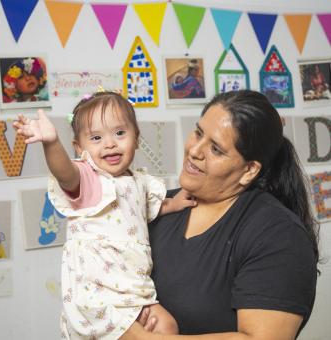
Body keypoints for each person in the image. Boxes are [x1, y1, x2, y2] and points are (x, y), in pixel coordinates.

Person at [121, 90, 319, 340]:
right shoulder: (156, 206)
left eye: (216, 149)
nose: (195, 151)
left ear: (249, 170)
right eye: (198, 133)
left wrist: (139, 337)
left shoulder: (278, 235)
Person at [13, 91, 196, 339]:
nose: (110, 143)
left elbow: (147, 210)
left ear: (137, 137)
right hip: (100, 294)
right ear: (80, 148)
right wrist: (51, 143)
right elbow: (65, 172)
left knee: (168, 327)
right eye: (96, 137)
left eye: (120, 133)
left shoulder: (140, 181)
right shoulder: (89, 179)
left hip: (135, 288)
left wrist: (174, 204)